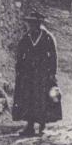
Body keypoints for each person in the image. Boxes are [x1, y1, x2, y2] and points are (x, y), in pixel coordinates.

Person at [13, 9, 58, 137]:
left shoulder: (47, 37)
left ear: (39, 23)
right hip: (28, 73)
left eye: (34, 23)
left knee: (41, 98)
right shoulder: (26, 37)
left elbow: (53, 56)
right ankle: (30, 125)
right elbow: (20, 55)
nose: (31, 26)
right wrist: (19, 70)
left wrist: (52, 72)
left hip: (42, 73)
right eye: (30, 23)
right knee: (28, 98)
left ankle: (42, 125)